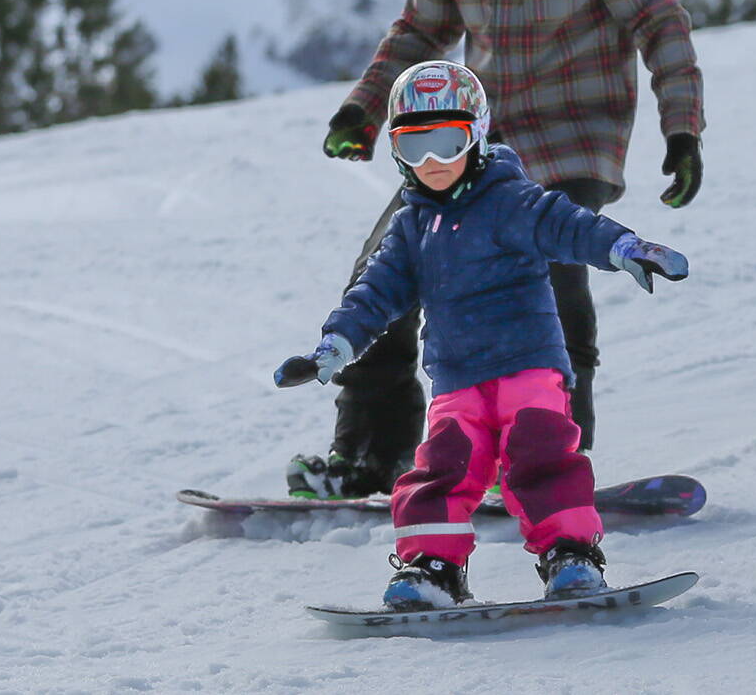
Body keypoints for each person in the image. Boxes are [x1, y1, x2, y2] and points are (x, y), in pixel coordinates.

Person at [289, 0, 705, 499]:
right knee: (386, 268)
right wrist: (364, 105)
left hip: (575, 136)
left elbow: (657, 21)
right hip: (470, 141)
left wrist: (683, 128)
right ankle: (370, 454)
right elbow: (420, 32)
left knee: (548, 278)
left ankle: (544, 467)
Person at [274, 61, 689, 609]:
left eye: (447, 143)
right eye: (414, 146)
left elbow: (568, 226)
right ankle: (433, 567)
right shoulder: (411, 227)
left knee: (540, 458)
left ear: (476, 136)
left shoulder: (507, 200)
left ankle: (570, 556)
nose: (432, 163)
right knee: (443, 469)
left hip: (529, 367)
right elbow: (373, 295)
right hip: (457, 380)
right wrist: (335, 347)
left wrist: (623, 247)